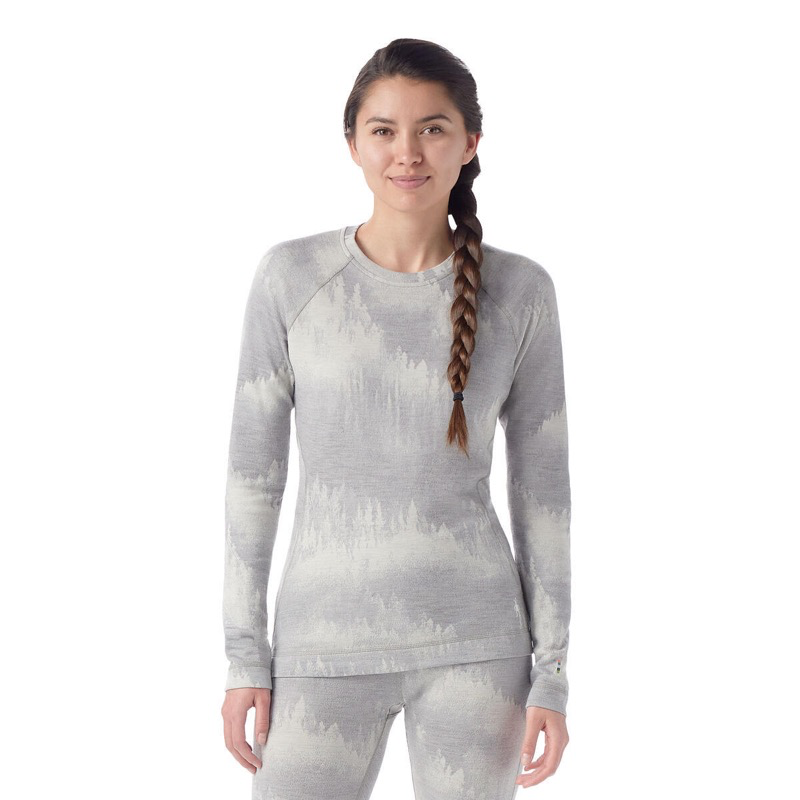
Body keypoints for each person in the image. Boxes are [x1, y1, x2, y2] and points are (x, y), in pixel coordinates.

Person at [220, 38, 572, 799]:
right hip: (321, 648)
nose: (407, 152)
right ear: (352, 143)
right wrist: (246, 658)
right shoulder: (291, 279)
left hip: (478, 648)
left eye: (432, 128)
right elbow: (254, 481)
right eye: (383, 130)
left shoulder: (522, 293)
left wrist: (551, 673)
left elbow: (543, 492)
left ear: (470, 143)